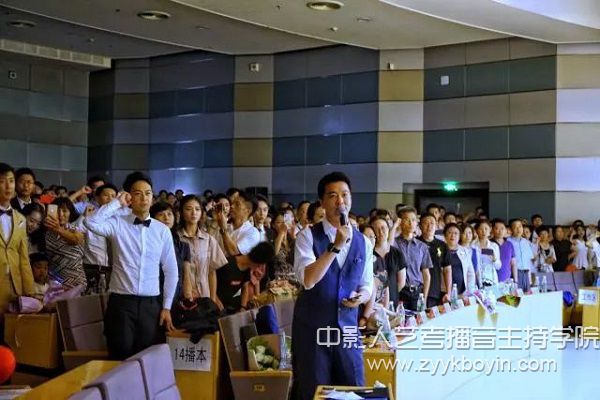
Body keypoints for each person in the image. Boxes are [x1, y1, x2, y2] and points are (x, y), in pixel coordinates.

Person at [292, 172, 373, 400]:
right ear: (322, 202)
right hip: (313, 329)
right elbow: (308, 280)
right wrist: (335, 247)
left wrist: (361, 297)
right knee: (314, 390)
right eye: (333, 196)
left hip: (347, 329)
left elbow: (367, 285)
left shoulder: (363, 242)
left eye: (345, 195)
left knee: (354, 387)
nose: (340, 201)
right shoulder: (308, 236)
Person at [84, 171, 178, 360]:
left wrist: (166, 306)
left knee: (146, 359)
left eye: (148, 193)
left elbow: (171, 270)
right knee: (119, 357)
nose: (144, 198)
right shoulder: (117, 224)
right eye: (137, 193)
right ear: (129, 197)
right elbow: (90, 222)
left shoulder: (162, 231)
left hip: (151, 304)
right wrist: (117, 203)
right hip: (121, 303)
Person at [0, 163, 35, 332]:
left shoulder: (20, 219)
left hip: (14, 288)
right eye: (2, 181)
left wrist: (29, 292)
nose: (8, 186)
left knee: (11, 337)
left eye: (11, 181)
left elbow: (24, 258)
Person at [176, 195, 227, 308]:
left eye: (197, 209)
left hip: (205, 294)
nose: (194, 212)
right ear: (181, 212)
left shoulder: (208, 239)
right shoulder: (176, 239)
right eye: (188, 209)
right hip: (182, 296)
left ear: (202, 213)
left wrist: (213, 298)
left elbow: (211, 272)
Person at [150, 201, 192, 310]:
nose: (166, 218)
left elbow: (186, 275)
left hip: (176, 297)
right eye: (161, 214)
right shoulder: (148, 243)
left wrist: (188, 295)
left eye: (169, 214)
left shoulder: (183, 246)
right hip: (152, 298)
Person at [216, 242, 275, 313]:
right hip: (213, 304)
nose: (257, 269)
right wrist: (215, 299)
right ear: (257, 261)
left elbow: (245, 287)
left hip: (226, 305)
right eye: (259, 265)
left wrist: (243, 307)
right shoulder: (227, 264)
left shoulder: (247, 270)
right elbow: (209, 283)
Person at [394, 206, 432, 310]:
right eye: (407, 220)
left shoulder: (422, 247)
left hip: (417, 292)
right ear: (400, 222)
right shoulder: (394, 243)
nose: (411, 223)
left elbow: (426, 274)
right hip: (400, 291)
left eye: (413, 220)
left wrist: (424, 298)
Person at [44, 198, 86, 288]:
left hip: (76, 281)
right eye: (57, 211)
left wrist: (58, 229)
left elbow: (75, 240)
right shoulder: (46, 233)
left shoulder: (75, 230)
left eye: (64, 211)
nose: (60, 214)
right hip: (54, 282)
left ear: (70, 213)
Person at [417, 213, 451, 307]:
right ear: (420, 226)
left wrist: (448, 292)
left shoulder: (442, 245)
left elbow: (447, 270)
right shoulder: (415, 244)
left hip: (435, 291)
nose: (429, 226)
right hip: (417, 291)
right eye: (426, 223)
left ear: (436, 225)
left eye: (432, 223)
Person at [217, 192, 260, 257]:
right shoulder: (226, 225)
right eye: (232, 203)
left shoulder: (253, 232)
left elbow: (233, 251)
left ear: (248, 210)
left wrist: (224, 230)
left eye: (237, 204)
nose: (232, 206)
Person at [442, 224, 476, 295]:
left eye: (456, 233)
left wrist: (469, 291)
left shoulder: (465, 251)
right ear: (445, 235)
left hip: (462, 292)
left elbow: (470, 273)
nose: (453, 235)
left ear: (459, 236)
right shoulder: (440, 251)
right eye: (450, 232)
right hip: (443, 291)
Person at [507, 219, 535, 291]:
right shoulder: (507, 242)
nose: (518, 229)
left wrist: (530, 279)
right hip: (514, 273)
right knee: (516, 296)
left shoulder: (526, 242)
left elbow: (528, 261)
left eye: (520, 226)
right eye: (515, 227)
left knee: (527, 295)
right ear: (510, 229)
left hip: (526, 273)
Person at [472, 221, 501, 287]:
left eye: (486, 229)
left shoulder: (494, 246)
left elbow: (498, 267)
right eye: (481, 229)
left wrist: (494, 259)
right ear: (476, 231)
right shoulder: (473, 246)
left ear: (490, 230)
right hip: (476, 279)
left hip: (491, 279)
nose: (483, 231)